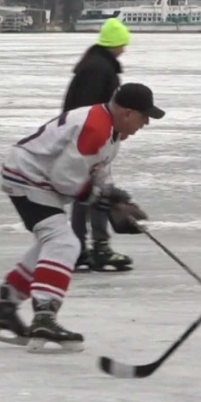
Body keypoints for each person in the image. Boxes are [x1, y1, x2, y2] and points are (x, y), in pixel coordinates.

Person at [0, 84, 163, 352]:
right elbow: (65, 180)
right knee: (64, 242)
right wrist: (102, 201)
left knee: (52, 244)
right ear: (127, 113)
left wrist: (115, 198)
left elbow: (96, 172)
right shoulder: (96, 128)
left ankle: (6, 308)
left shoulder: (109, 129)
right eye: (144, 117)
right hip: (29, 177)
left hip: (34, 177)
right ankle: (45, 316)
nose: (146, 123)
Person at [64, 18, 134, 272]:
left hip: (86, 138)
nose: (124, 49)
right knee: (96, 192)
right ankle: (98, 248)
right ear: (114, 43)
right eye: (122, 44)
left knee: (86, 194)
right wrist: (110, 132)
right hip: (89, 141)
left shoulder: (97, 65)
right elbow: (92, 108)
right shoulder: (99, 69)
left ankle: (80, 248)